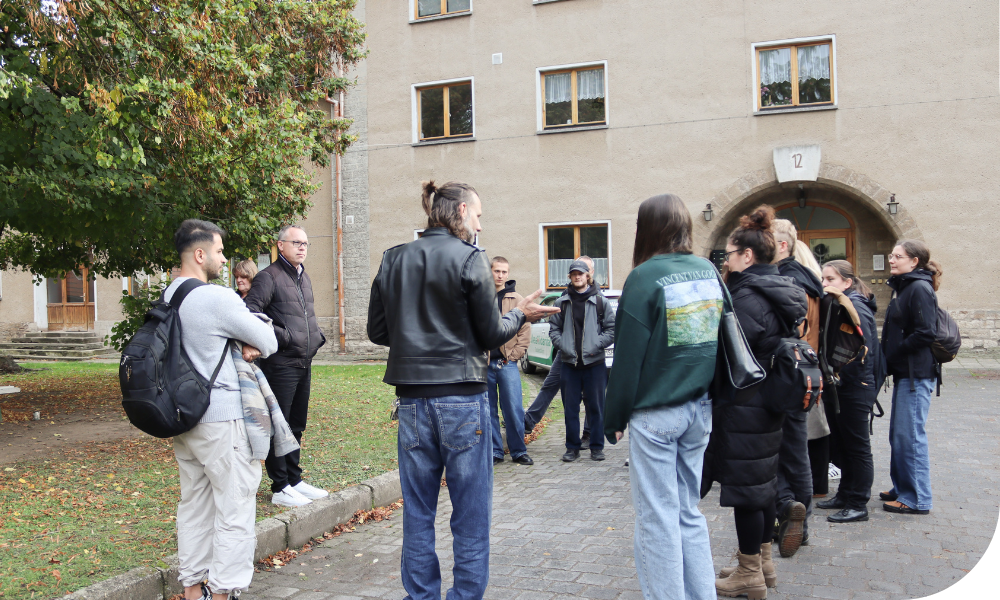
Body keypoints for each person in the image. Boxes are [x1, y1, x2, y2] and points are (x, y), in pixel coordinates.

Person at [367, 180, 558, 600]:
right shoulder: (471, 258)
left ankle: (421, 595)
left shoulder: (393, 257)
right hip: (462, 399)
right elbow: (491, 333)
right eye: (478, 215)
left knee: (418, 510)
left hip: (412, 401)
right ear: (460, 211)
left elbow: (378, 331)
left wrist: (416, 335)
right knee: (470, 512)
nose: (480, 225)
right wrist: (521, 314)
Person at [604, 194, 721, 600]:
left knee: (657, 519)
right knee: (688, 511)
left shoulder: (644, 277)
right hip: (699, 410)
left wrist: (613, 418)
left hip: (656, 414)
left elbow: (627, 359)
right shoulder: (708, 270)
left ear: (646, 229)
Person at [166, 219, 278, 600]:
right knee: (235, 509)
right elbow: (267, 339)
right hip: (223, 419)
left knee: (194, 507)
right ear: (199, 254)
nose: (223, 258)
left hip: (185, 420)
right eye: (218, 251)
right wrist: (249, 340)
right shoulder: (216, 298)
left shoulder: (168, 296)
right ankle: (224, 592)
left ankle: (193, 590)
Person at [707, 205, 806, 598]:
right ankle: (762, 563)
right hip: (767, 401)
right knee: (763, 485)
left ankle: (749, 573)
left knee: (748, 491)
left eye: (729, 254)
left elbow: (730, 352)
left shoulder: (748, 297)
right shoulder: (778, 287)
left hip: (745, 403)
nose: (726, 261)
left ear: (747, 256)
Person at [244, 225, 328, 507]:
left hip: (303, 362)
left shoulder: (303, 276)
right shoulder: (268, 277)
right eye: (296, 243)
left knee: (296, 424)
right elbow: (251, 313)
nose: (302, 248)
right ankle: (280, 487)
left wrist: (316, 337)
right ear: (280, 245)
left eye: (305, 243)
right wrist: (285, 336)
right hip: (280, 364)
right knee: (279, 425)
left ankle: (294, 479)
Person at [769, 218, 823, 557]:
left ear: (783, 245)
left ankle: (791, 512)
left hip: (787, 373)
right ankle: (799, 520)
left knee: (779, 450)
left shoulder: (787, 281)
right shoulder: (810, 280)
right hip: (806, 373)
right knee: (797, 451)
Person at [815, 260, 882, 523]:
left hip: (855, 386)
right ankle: (844, 494)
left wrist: (847, 380)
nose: (825, 284)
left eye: (830, 279)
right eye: (823, 279)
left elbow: (863, 351)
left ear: (847, 282)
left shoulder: (856, 306)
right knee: (842, 443)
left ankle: (858, 503)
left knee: (857, 447)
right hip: (842, 385)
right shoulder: (840, 303)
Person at [879, 239, 941, 515]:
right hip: (906, 373)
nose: (892, 260)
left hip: (917, 375)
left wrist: (895, 352)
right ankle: (902, 486)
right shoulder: (904, 287)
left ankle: (916, 498)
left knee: (910, 437)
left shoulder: (919, 288)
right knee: (899, 435)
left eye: (898, 256)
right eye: (891, 255)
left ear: (914, 261)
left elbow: (926, 332)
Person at [549, 259, 615, 462]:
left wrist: (596, 344)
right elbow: (554, 329)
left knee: (596, 408)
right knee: (570, 409)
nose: (577, 277)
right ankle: (572, 448)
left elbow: (612, 329)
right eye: (574, 274)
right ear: (569, 277)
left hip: (594, 364)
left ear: (588, 276)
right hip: (569, 364)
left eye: (581, 274)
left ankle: (597, 447)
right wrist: (564, 345)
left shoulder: (600, 302)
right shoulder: (561, 303)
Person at [523, 255, 595, 434]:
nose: (579, 275)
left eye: (584, 270)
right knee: (550, 384)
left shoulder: (598, 297)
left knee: (589, 394)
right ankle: (528, 421)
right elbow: (556, 325)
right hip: (566, 352)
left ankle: (588, 433)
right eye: (576, 271)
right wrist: (562, 344)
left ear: (591, 273)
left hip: (590, 354)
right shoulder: (565, 296)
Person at [487, 256, 533, 466]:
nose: (500, 275)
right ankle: (495, 451)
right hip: (485, 364)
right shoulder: (481, 295)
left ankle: (518, 451)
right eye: (497, 271)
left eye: (504, 272)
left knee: (513, 410)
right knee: (489, 411)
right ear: (490, 271)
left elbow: (524, 328)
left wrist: (514, 355)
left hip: (507, 364)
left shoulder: (516, 299)